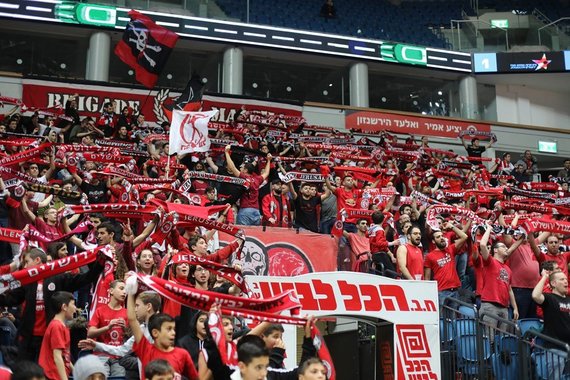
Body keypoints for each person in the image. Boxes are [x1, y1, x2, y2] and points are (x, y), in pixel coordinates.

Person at [0, 248, 105, 362]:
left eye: (27, 262)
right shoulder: (27, 281)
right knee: (25, 372)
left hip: (50, 336)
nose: (25, 267)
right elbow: (11, 299)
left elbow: (85, 279)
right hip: (28, 337)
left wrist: (99, 263)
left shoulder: (58, 277)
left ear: (37, 260)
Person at [126, 281, 198, 380]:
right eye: (168, 329)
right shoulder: (146, 350)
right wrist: (130, 292)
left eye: (173, 329)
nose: (173, 333)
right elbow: (132, 319)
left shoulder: (182, 354)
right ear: (155, 333)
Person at [477, 223, 520, 331]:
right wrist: (489, 229)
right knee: (489, 339)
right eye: (503, 247)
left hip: (504, 308)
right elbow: (482, 245)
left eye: (506, 247)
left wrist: (515, 308)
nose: (506, 248)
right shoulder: (490, 261)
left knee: (502, 340)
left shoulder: (508, 269)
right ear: (495, 250)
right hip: (490, 305)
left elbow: (510, 290)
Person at [532, 270, 570, 378]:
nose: (565, 282)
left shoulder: (569, 300)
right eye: (562, 279)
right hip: (555, 349)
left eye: (566, 279)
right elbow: (535, 295)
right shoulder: (549, 298)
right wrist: (545, 277)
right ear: (553, 283)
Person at [87, 280, 128, 377]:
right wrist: (107, 327)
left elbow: (133, 337)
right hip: (101, 355)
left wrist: (125, 329)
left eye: (126, 290)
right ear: (111, 291)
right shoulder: (100, 311)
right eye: (121, 289)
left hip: (119, 357)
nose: (124, 292)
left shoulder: (127, 313)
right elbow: (90, 333)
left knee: (119, 378)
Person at [424, 221, 469, 308]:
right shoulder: (429, 256)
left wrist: (452, 227)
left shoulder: (450, 249)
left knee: (453, 319)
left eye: (442, 236)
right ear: (433, 241)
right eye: (438, 237)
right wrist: (429, 295)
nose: (441, 238)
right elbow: (427, 278)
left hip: (455, 290)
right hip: (441, 291)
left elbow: (464, 236)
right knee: (441, 318)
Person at [224, 144, 271, 226]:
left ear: (245, 170)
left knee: (242, 235)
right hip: (256, 212)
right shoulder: (257, 179)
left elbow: (232, 167)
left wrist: (227, 153)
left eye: (242, 167)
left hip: (245, 212)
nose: (240, 168)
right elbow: (266, 173)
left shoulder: (244, 177)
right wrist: (269, 161)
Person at [38, 291, 76, 380]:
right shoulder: (56, 326)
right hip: (51, 376)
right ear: (64, 307)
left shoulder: (62, 326)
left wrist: (76, 371)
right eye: (73, 304)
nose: (75, 308)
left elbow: (64, 355)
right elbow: (57, 357)